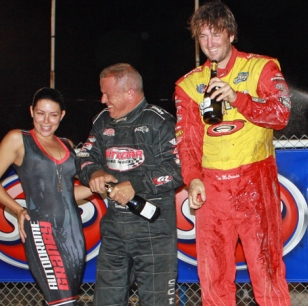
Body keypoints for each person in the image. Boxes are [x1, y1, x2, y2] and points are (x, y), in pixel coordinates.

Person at [174, 1, 292, 305]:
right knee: (213, 277)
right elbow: (187, 140)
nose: (210, 43)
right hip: (212, 190)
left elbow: (281, 115)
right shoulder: (188, 85)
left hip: (255, 181)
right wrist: (192, 179)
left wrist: (237, 98)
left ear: (231, 33)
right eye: (203, 37)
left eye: (216, 34)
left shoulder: (262, 67)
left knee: (267, 271)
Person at [76, 63, 183, 305]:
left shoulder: (160, 122)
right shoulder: (102, 121)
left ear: (129, 93)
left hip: (154, 232)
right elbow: (83, 157)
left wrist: (133, 184)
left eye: (108, 94)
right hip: (114, 230)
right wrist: (94, 173)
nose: (103, 100)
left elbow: (180, 169)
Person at [0, 87, 93, 305]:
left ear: (62, 115)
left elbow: (69, 194)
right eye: (40, 113)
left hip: (73, 236)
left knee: (67, 300)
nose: (46, 121)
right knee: (62, 302)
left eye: (53, 115)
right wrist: (18, 209)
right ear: (31, 111)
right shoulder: (18, 139)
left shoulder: (67, 145)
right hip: (42, 231)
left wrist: (102, 187)